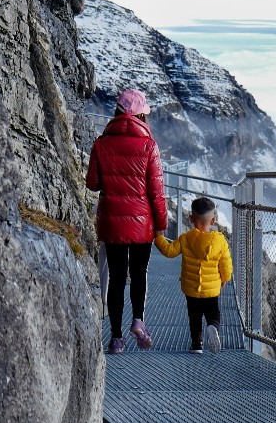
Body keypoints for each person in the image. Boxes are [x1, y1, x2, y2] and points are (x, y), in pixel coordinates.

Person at [85, 88, 167, 354]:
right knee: (139, 274)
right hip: (142, 223)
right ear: (140, 115)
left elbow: (93, 184)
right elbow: (156, 191)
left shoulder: (101, 143)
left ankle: (116, 339)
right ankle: (139, 322)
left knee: (118, 277)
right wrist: (161, 223)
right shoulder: (148, 146)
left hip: (112, 221)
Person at [155, 195, 234, 353]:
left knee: (194, 317)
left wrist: (158, 237)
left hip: (191, 289)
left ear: (191, 218)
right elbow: (226, 263)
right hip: (211, 290)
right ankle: (213, 327)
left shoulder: (186, 238)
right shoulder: (220, 241)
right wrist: (225, 278)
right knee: (214, 313)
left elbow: (169, 251)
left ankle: (197, 344)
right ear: (213, 221)